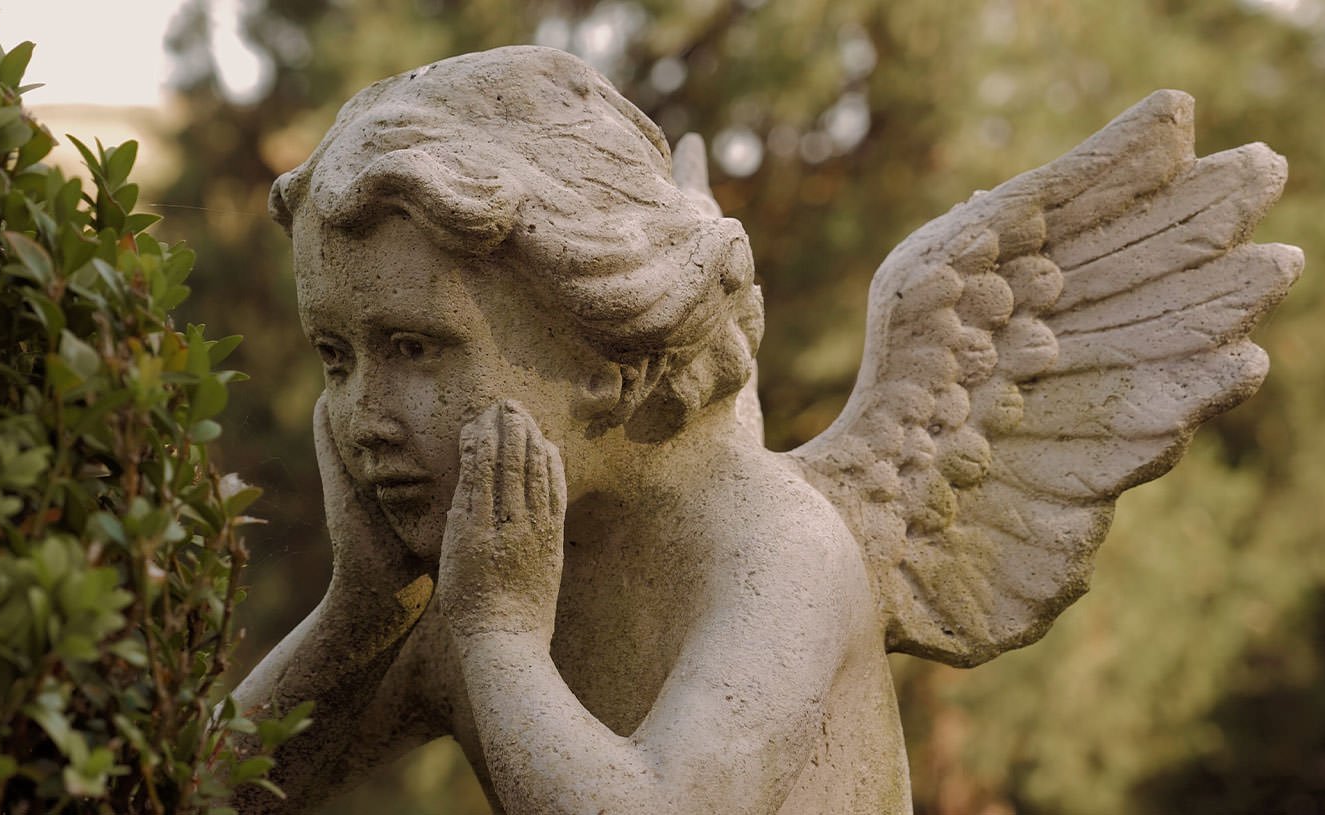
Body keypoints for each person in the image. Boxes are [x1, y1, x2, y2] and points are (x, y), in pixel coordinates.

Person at [232, 45, 909, 813]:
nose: (364, 416)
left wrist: (501, 638)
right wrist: (358, 614)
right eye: (335, 356)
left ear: (598, 355)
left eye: (413, 348)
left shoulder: (779, 551)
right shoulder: (470, 577)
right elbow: (192, 793)